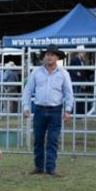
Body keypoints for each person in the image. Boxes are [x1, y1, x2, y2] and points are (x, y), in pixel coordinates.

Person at [20, 45, 74, 177]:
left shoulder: (63, 74)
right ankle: (39, 166)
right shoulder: (36, 72)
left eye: (52, 55)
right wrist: (26, 107)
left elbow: (68, 93)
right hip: (39, 109)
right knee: (38, 139)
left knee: (52, 139)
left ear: (57, 57)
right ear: (44, 57)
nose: (49, 57)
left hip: (56, 110)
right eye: (47, 54)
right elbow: (28, 90)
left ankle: (50, 168)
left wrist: (68, 110)